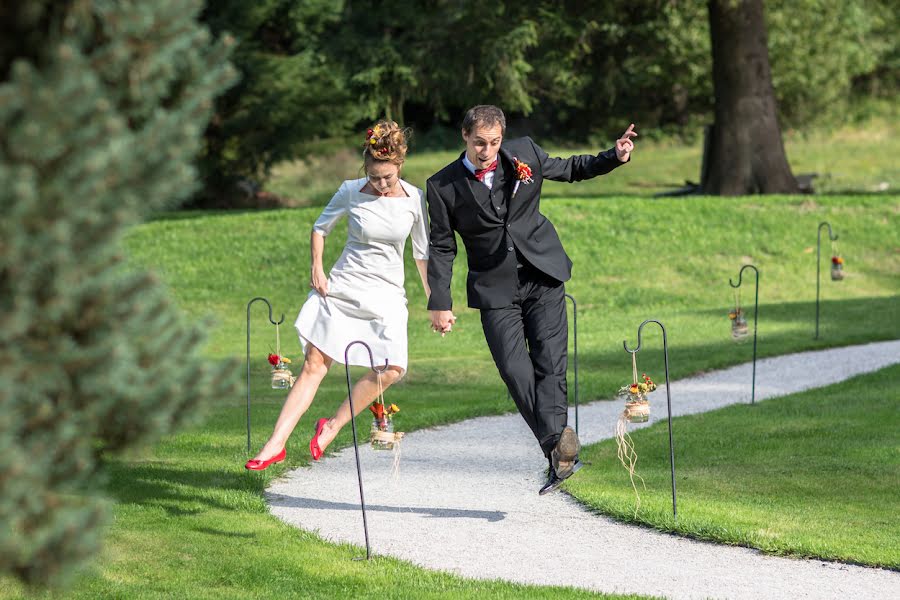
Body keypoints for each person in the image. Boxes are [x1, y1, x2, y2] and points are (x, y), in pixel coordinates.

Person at [426, 105, 636, 494]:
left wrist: (615, 156)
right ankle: (557, 446)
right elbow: (441, 247)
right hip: (494, 288)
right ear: (464, 137)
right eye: (479, 143)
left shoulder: (524, 152)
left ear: (502, 137)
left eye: (493, 142)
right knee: (515, 371)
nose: (486, 150)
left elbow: (570, 169)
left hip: (543, 275)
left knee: (550, 364)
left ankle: (561, 457)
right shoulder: (442, 186)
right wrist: (440, 300)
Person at [245, 120, 430, 470]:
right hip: (343, 286)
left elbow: (421, 254)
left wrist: (438, 303)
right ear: (366, 168)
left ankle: (332, 425)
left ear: (400, 167)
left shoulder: (414, 199)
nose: (380, 184)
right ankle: (275, 444)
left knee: (392, 369)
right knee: (314, 364)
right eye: (374, 177)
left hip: (387, 295)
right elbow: (320, 227)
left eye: (387, 177)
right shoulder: (350, 190)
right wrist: (317, 266)